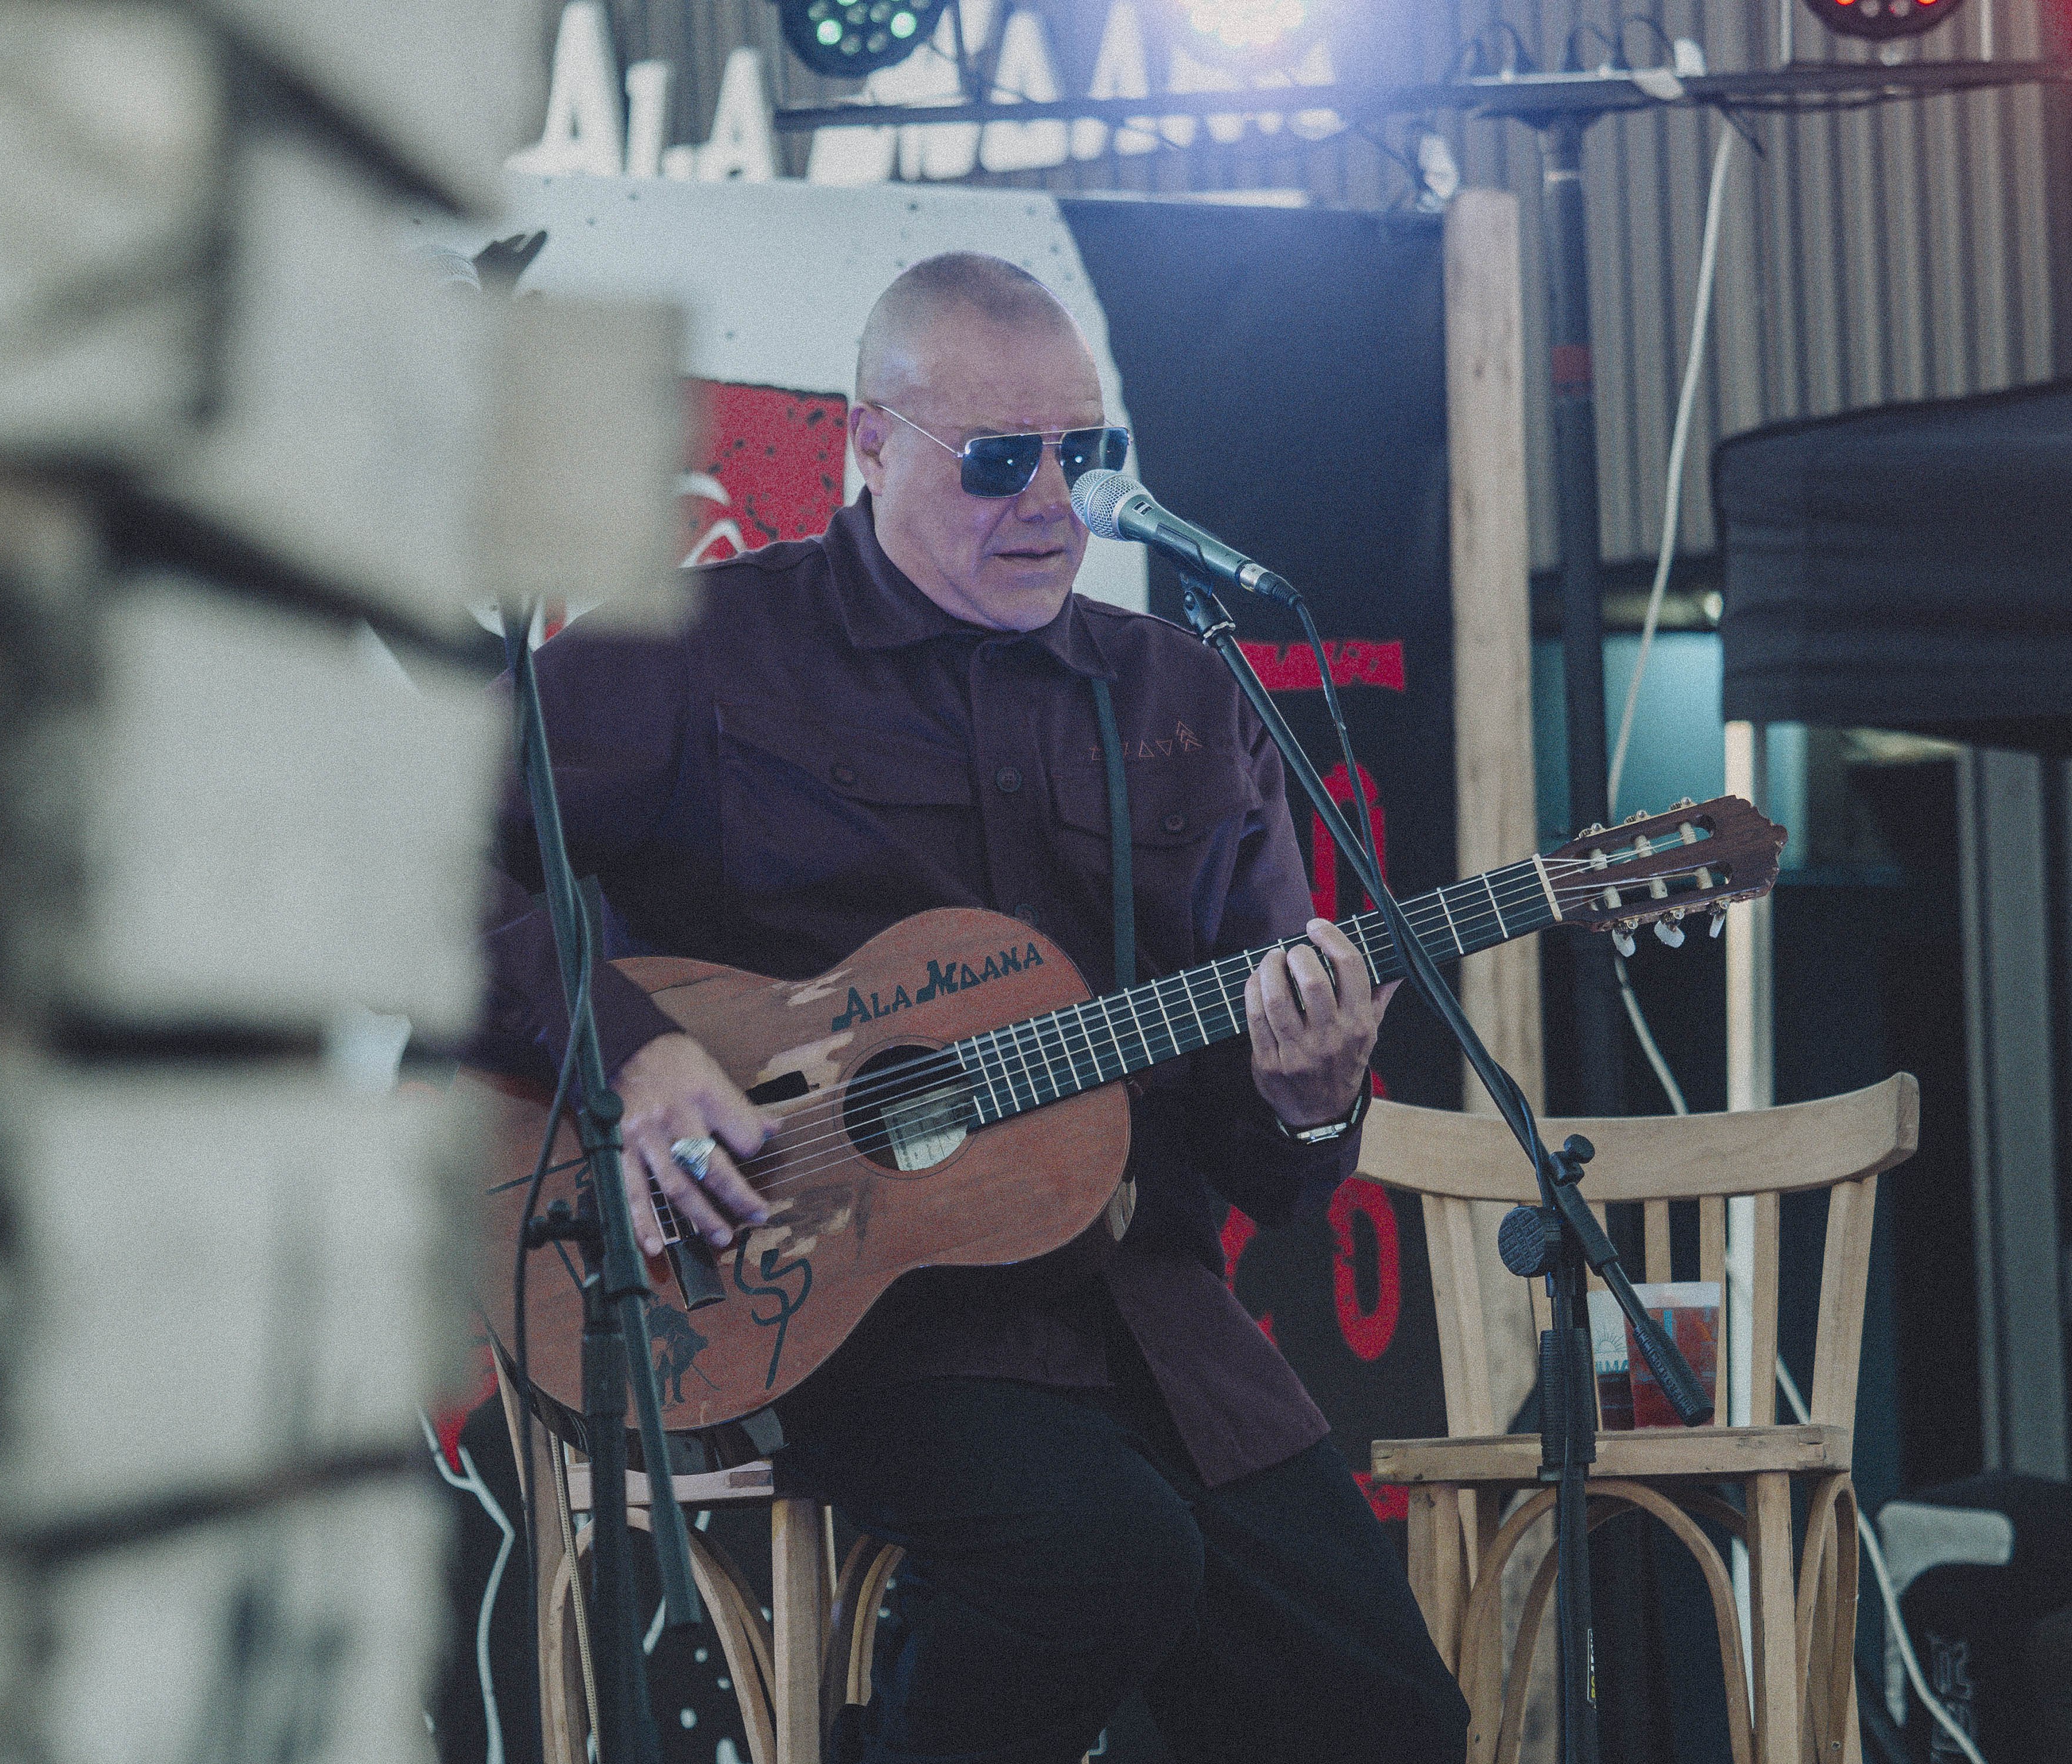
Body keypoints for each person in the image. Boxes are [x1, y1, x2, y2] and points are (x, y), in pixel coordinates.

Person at [478, 252, 1469, 1764]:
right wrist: (632, 1056)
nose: (1053, 501)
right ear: (871, 444)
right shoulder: (697, 651)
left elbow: (1268, 1163)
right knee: (1095, 1560)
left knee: (1384, 1718)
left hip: (1146, 1316)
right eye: (1000, 460)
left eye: (1088, 452)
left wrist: (1309, 1095)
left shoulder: (1186, 701)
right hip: (820, 1298)